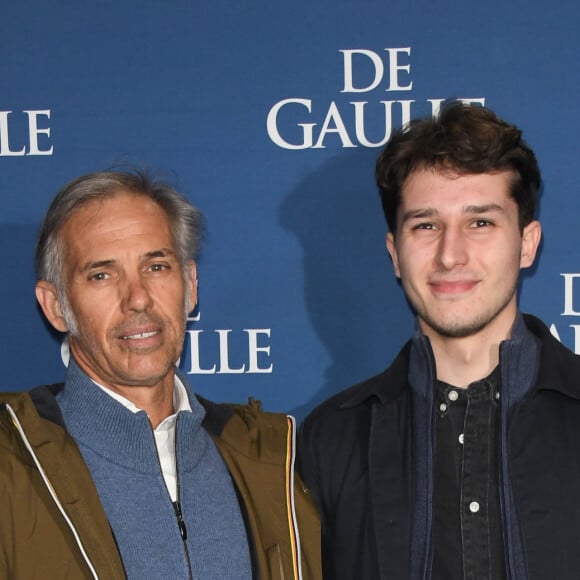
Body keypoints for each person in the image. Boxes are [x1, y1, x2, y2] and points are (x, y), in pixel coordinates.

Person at [297, 103, 580, 579]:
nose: (451, 255)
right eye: (426, 225)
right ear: (394, 253)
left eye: (480, 222)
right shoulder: (331, 440)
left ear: (527, 244)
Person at [0, 170, 321, 579]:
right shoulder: (10, 468)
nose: (137, 298)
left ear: (189, 284)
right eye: (102, 275)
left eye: (156, 267)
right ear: (55, 306)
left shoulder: (278, 465)